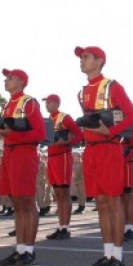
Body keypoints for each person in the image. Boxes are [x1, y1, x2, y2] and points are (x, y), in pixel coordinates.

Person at [76, 45, 133, 266]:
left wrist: (111, 133)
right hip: (91, 150)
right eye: (81, 58)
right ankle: (107, 253)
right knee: (101, 203)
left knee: (113, 202)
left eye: (85, 57)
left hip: (109, 148)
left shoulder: (112, 86)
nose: (81, 61)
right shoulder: (82, 92)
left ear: (99, 60)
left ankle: (118, 256)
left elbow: (132, 116)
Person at [0, 68, 46, 266]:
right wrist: (3, 133)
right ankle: (20, 249)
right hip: (10, 152)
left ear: (22, 82)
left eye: (10, 78)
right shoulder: (7, 105)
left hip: (24, 152)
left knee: (26, 200)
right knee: (17, 202)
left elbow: (39, 133)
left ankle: (29, 250)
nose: (6, 81)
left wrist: (7, 134)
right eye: (6, 78)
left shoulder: (29, 102)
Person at [44, 93, 84, 239]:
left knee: (64, 192)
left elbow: (79, 135)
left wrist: (66, 142)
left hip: (63, 156)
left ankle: (65, 228)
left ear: (56, 103)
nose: (46, 105)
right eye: (46, 103)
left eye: (49, 102)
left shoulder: (64, 118)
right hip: (51, 157)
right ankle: (60, 226)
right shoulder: (47, 120)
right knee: (57, 193)